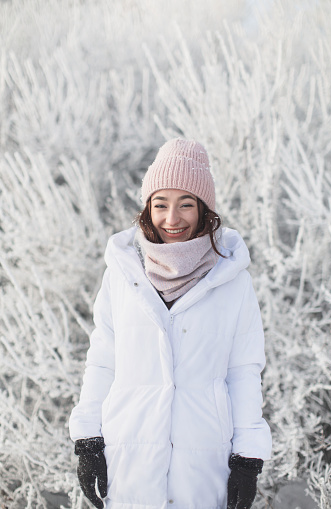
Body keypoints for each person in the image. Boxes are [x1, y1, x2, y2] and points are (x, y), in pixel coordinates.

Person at [69, 138, 272, 509]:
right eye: (160, 205)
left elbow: (243, 371)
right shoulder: (121, 274)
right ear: (148, 208)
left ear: (204, 210)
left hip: (203, 462)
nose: (172, 219)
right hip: (128, 456)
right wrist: (88, 441)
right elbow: (102, 362)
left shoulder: (232, 280)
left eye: (186, 205)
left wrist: (247, 458)